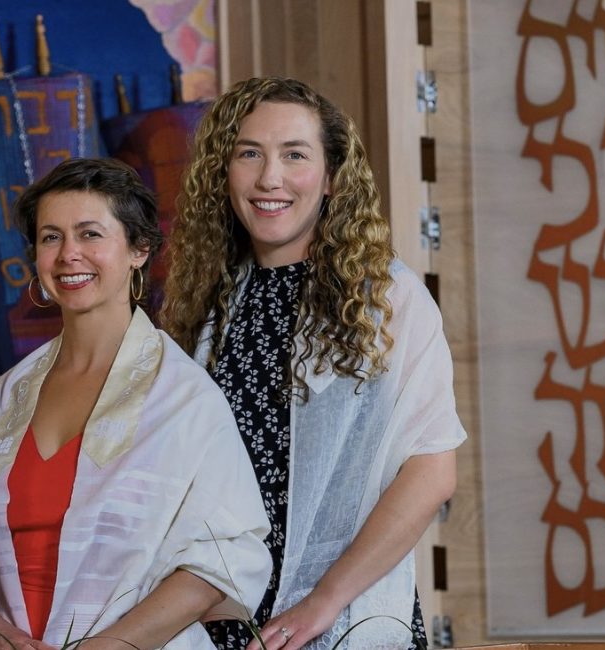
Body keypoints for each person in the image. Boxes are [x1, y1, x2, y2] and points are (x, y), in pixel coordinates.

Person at [161, 77, 465, 650]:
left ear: (331, 179)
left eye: (294, 155)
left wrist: (321, 602)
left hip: (344, 615)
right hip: (218, 621)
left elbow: (430, 471)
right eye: (249, 153)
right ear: (224, 174)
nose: (269, 177)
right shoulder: (206, 307)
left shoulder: (384, 299)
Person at [0, 157, 272, 649]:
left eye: (90, 234)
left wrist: (115, 645)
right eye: (51, 237)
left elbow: (227, 552)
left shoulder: (183, 398)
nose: (68, 255)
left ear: (139, 249)